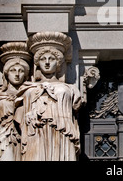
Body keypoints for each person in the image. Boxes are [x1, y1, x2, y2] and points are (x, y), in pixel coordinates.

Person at [15, 32, 82, 161]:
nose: (47, 63)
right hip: (35, 134)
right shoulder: (28, 89)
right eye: (42, 59)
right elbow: (19, 117)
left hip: (61, 133)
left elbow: (76, 104)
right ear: (37, 63)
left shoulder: (70, 89)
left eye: (51, 59)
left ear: (58, 63)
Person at [0, 43, 31, 161]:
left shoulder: (29, 95)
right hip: (2, 138)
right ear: (6, 74)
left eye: (21, 71)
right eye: (13, 70)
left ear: (26, 75)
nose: (17, 74)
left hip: (24, 138)